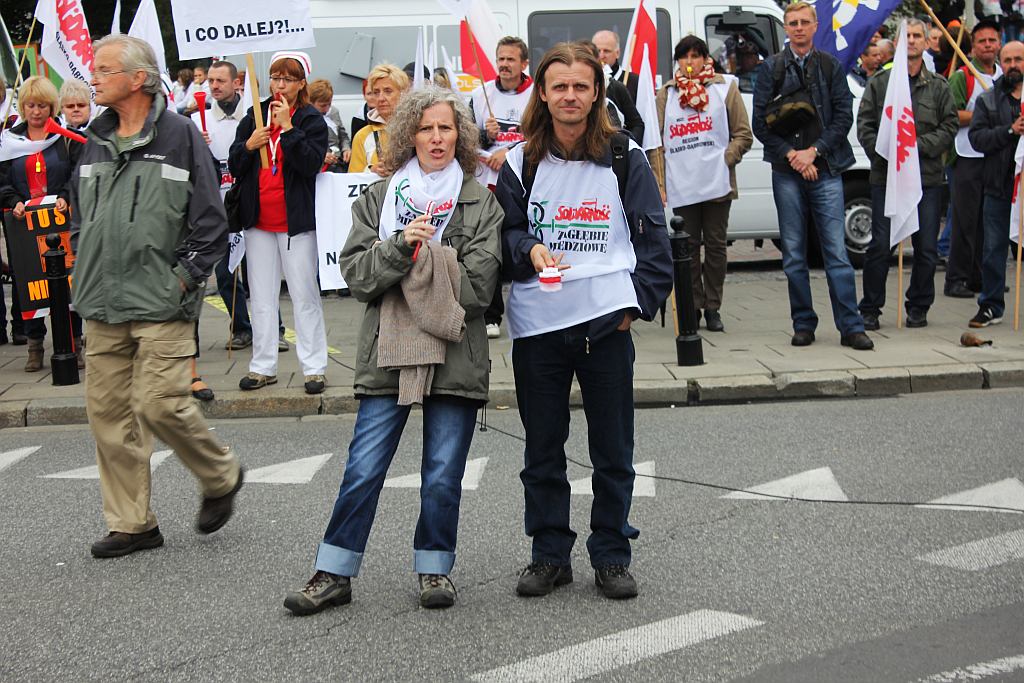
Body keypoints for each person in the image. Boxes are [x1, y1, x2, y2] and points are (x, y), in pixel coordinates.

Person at [284, 86, 502, 614]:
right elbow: (356, 276)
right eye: (425, 127)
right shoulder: (379, 200)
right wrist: (400, 246)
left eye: (446, 127)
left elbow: (478, 289)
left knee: (443, 474)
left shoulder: (480, 201)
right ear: (408, 135)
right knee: (363, 468)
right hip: (387, 351)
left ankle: (434, 569)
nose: (436, 137)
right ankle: (333, 572)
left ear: (461, 136)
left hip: (455, 354)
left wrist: (411, 265)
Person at [495, 42, 672, 600]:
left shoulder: (625, 156)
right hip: (539, 327)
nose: (569, 96)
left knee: (613, 451)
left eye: (580, 86)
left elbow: (654, 242)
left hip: (605, 328)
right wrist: (528, 249)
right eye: (559, 86)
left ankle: (612, 554)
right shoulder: (520, 162)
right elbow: (503, 236)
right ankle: (549, 553)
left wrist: (631, 310)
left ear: (596, 92)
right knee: (542, 449)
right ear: (541, 93)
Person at [70, 35, 243, 558]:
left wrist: (183, 280)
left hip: (163, 302)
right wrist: (84, 263)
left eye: (103, 70)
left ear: (138, 78)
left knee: (159, 404)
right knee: (109, 414)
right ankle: (133, 523)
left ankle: (221, 474)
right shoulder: (94, 140)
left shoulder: (180, 134)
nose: (92, 77)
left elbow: (212, 222)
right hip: (102, 301)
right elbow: (82, 217)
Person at [751, 1, 873, 350]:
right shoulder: (771, 68)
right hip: (786, 170)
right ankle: (803, 324)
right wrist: (793, 155)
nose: (799, 27)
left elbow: (842, 118)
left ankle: (851, 327)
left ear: (815, 26)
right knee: (792, 254)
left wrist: (814, 151)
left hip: (827, 167)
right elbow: (760, 123)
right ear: (785, 28)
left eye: (805, 22)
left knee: (836, 251)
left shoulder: (831, 66)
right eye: (793, 22)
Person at [229, 51, 330, 394]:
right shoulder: (254, 115)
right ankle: (263, 365)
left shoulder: (311, 120)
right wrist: (249, 145)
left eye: (288, 78)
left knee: (303, 294)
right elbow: (235, 162)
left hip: (295, 223)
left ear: (302, 84)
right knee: (260, 296)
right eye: (275, 77)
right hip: (258, 221)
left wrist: (288, 129)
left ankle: (314, 367)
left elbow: (310, 163)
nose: (280, 85)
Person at [857, 18, 958, 330]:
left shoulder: (939, 86)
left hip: (925, 179)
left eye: (917, 36)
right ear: (898, 42)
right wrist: (889, 151)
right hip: (886, 179)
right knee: (879, 247)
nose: (912, 41)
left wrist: (916, 148)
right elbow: (865, 126)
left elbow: (950, 125)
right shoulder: (880, 84)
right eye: (906, 36)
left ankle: (918, 305)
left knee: (926, 248)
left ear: (927, 43)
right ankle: (870, 308)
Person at [652, 35, 752, 332]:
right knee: (688, 249)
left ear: (706, 59)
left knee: (716, 248)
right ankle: (692, 305)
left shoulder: (724, 88)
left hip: (716, 183)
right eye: (685, 57)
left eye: (696, 56)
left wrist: (725, 159)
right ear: (678, 62)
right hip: (684, 184)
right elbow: (656, 143)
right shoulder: (666, 95)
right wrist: (660, 180)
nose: (690, 62)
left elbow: (743, 133)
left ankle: (713, 306)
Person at [0, 76, 85, 370]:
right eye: (31, 106)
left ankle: (76, 340)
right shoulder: (9, 140)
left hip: (60, 220)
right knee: (30, 283)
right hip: (24, 225)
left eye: (43, 106)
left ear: (52, 107)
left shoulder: (63, 138)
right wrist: (13, 201)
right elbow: (3, 180)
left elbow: (75, 174)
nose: (37, 112)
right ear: (23, 107)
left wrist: (65, 195)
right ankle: (35, 344)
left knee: (68, 280)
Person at [470, 36, 533, 339]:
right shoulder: (479, 95)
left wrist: (510, 152)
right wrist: (484, 135)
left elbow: (543, 135)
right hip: (489, 183)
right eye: (501, 59)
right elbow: (466, 140)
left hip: (525, 181)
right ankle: (491, 314)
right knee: (490, 245)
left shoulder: (537, 93)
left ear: (524, 63)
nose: (505, 65)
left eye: (511, 59)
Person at [966, 41, 1024, 328]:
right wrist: (1010, 131)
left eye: (1019, 59)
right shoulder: (988, 100)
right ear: (1001, 63)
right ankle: (991, 305)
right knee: (993, 250)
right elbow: (977, 138)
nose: (1014, 65)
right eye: (1008, 60)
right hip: (998, 187)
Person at [944, 20, 1002, 299]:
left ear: (999, 43)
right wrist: (983, 116)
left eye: (992, 40)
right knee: (965, 220)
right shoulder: (963, 76)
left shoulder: (1005, 76)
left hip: (995, 156)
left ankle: (981, 277)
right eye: (982, 41)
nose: (988, 46)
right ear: (974, 46)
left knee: (988, 221)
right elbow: (951, 115)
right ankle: (956, 278)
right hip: (967, 155)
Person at [579, 39, 645, 144]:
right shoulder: (567, 91)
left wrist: (626, 146)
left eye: (589, 60)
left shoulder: (614, 87)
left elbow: (636, 124)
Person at [349, 64, 409, 174]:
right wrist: (371, 171)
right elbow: (352, 180)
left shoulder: (416, 129)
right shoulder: (362, 136)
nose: (381, 98)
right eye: (376, 92)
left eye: (388, 91)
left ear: (403, 93)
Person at [308, 79, 351, 172]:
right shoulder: (307, 118)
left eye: (329, 104)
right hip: (319, 167)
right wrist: (321, 155)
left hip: (338, 163)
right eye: (323, 105)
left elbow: (343, 136)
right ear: (311, 103)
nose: (327, 109)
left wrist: (346, 149)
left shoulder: (334, 112)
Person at [593, 29, 640, 103]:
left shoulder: (635, 82)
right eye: (597, 51)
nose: (601, 56)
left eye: (606, 51)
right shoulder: (588, 81)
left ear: (617, 53)